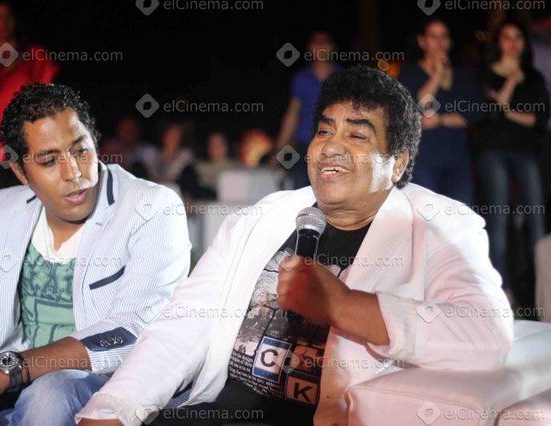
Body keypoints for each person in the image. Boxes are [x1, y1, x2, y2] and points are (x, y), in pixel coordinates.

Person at [77, 66, 513, 426]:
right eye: (324, 131)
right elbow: (183, 325)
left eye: (357, 136)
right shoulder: (266, 217)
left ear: (397, 162)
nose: (331, 147)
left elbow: (486, 334)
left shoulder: (439, 226)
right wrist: (114, 410)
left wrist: (343, 305)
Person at [0, 83, 191, 425]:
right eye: (48, 160)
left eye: (81, 151)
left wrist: (8, 369)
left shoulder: (151, 207)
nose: (73, 173)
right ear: (20, 171)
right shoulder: (9, 209)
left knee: (51, 392)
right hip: (16, 372)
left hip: (103, 381)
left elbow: (132, 329)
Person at [476, 19, 550, 292]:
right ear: (498, 42)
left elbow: (539, 119)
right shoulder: (485, 73)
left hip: (526, 152)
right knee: (499, 220)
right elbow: (488, 113)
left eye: (518, 37)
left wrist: (506, 109)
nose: (513, 43)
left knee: (536, 218)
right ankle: (502, 292)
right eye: (507, 37)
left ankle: (542, 290)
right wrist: (511, 82)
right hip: (493, 152)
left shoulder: (534, 77)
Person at [0, 0, 59, 204]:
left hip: (27, 147)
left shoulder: (36, 56)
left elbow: (48, 102)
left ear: (16, 20)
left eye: (8, 16)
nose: (3, 23)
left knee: (33, 211)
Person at [399, 17, 481, 206]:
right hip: (424, 161)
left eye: (444, 36)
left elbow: (474, 113)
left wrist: (441, 119)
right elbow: (421, 107)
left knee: (462, 214)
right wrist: (437, 74)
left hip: (458, 160)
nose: (440, 42)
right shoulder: (410, 74)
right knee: (428, 216)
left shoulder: (463, 75)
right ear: (422, 41)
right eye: (433, 36)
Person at [275, 31, 343, 189]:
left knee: (332, 186)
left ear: (332, 47)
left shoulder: (342, 77)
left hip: (334, 143)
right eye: (315, 43)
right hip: (305, 144)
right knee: (300, 184)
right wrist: (279, 149)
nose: (320, 47)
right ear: (309, 48)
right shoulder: (301, 77)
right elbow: (292, 114)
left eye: (324, 42)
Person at [194, 131, 239, 196]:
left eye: (218, 144)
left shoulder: (236, 168)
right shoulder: (198, 168)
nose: (214, 147)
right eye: (211, 144)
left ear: (226, 146)